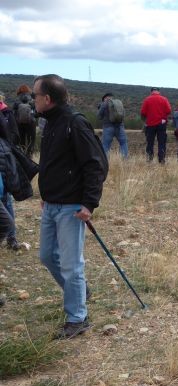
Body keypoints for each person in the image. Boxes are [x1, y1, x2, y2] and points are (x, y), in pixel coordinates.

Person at [34, 74, 107, 339]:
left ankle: (78, 318)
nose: (33, 100)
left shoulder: (74, 124)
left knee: (71, 264)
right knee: (46, 256)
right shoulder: (51, 123)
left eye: (35, 95)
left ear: (47, 98)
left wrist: (89, 203)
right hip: (52, 204)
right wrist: (47, 193)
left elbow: (95, 165)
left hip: (71, 207)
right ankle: (80, 292)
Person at [0, 91, 21, 250]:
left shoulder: (6, 112)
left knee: (6, 198)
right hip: (6, 156)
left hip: (4, 157)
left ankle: (11, 237)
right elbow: (14, 134)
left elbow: (12, 134)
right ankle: (11, 237)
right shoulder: (7, 112)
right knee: (6, 199)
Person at [140, 87, 171, 164]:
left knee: (150, 143)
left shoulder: (147, 99)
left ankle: (149, 160)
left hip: (150, 124)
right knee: (162, 142)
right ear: (158, 92)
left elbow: (143, 112)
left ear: (151, 92)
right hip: (161, 124)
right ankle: (161, 160)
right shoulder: (164, 99)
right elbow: (168, 110)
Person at [98, 93, 128, 159]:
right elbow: (123, 115)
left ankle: (105, 162)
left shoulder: (104, 104)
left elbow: (99, 116)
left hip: (108, 127)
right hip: (120, 127)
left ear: (105, 98)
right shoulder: (118, 103)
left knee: (106, 145)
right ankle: (125, 161)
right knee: (123, 143)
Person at [13, 85, 36, 157]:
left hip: (19, 122)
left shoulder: (17, 98)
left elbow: (14, 110)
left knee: (21, 140)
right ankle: (30, 156)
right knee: (31, 140)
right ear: (28, 90)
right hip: (31, 122)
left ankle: (22, 156)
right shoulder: (31, 98)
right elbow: (35, 110)